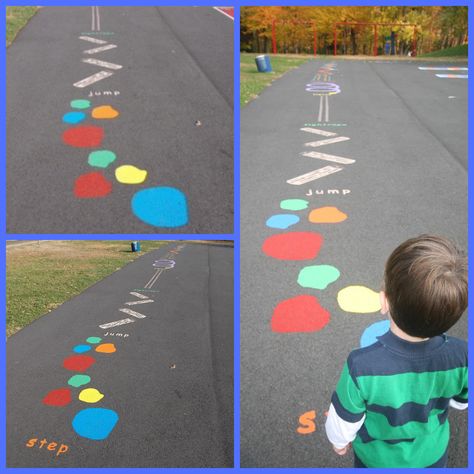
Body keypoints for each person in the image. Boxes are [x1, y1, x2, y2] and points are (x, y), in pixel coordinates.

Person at [325, 235, 468, 468]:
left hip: (377, 460)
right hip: (431, 456)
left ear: (384, 301)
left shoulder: (361, 366)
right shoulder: (462, 356)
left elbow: (343, 421)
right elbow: (462, 402)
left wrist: (339, 442)